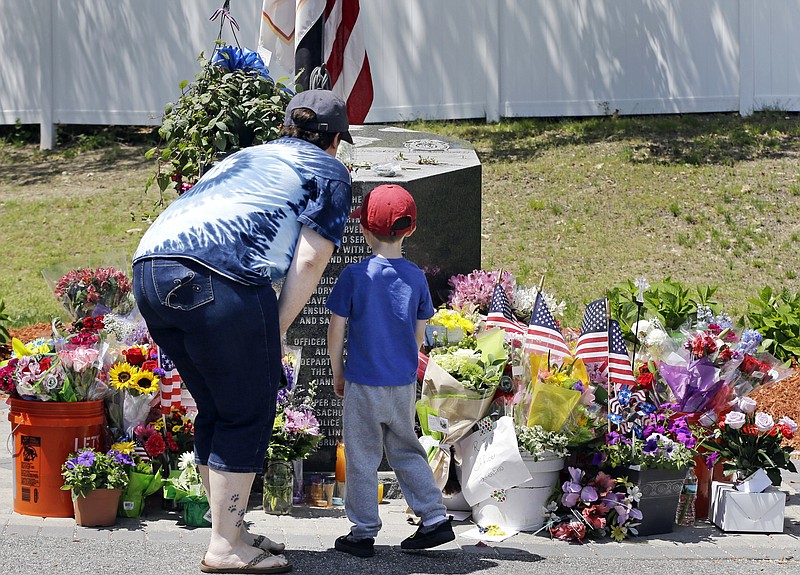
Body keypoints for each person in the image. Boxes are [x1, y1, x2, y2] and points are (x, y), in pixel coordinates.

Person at [132, 89, 353, 574]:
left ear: (285, 128)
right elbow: (312, 257)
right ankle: (226, 546)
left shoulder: (247, 155)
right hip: (221, 274)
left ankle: (227, 530)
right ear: (335, 141)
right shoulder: (328, 170)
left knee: (217, 407)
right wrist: (270, 333)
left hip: (150, 268)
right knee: (247, 410)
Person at [326, 184, 455, 557]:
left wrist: (338, 370)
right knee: (406, 450)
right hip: (400, 383)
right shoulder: (415, 277)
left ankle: (363, 531)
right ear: (410, 230)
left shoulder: (355, 275)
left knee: (362, 456)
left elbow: (336, 327)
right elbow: (419, 334)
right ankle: (433, 519)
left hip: (363, 383)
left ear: (364, 230)